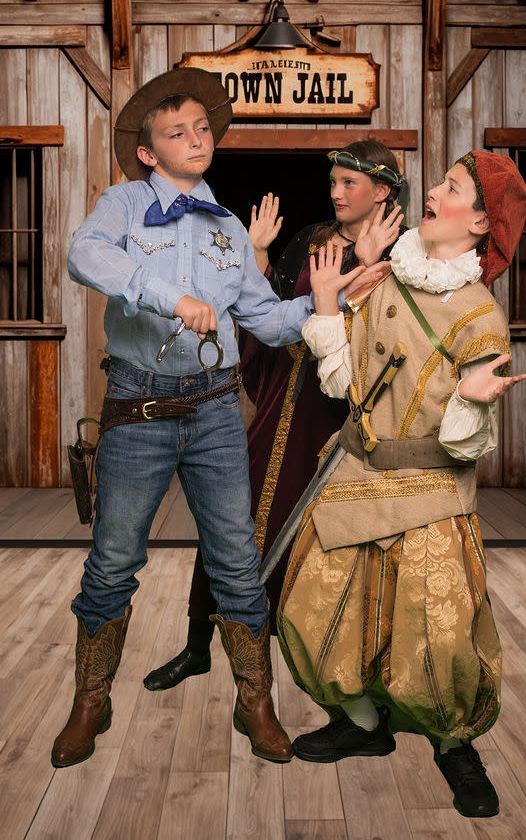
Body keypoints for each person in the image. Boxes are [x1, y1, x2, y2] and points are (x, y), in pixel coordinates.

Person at [51, 67, 382, 770]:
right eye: (178, 132)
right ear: (148, 151)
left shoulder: (229, 227)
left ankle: (254, 701)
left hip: (214, 412)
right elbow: (84, 256)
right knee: (113, 560)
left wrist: (333, 296)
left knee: (238, 557)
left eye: (203, 128)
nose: (197, 139)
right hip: (137, 407)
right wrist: (168, 294)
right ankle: (90, 700)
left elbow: (267, 317)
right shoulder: (122, 204)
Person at [276, 150, 526, 819]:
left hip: (430, 492)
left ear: (479, 221)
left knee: (439, 635)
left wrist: (475, 398)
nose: (434, 191)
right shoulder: (386, 277)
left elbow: (464, 441)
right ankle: (363, 723)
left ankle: (454, 746)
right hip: (356, 474)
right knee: (313, 612)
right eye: (443, 182)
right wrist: (332, 301)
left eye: (451, 188)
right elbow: (340, 383)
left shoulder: (480, 315)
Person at [142, 141, 406, 693]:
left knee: (323, 537)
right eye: (331, 182)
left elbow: (385, 335)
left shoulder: (404, 256)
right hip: (290, 394)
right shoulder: (312, 240)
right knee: (231, 516)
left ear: (381, 191)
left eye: (347, 184)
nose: (334, 192)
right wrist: (257, 255)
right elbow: (274, 308)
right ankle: (198, 645)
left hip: (343, 409)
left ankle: (325, 672)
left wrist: (368, 262)